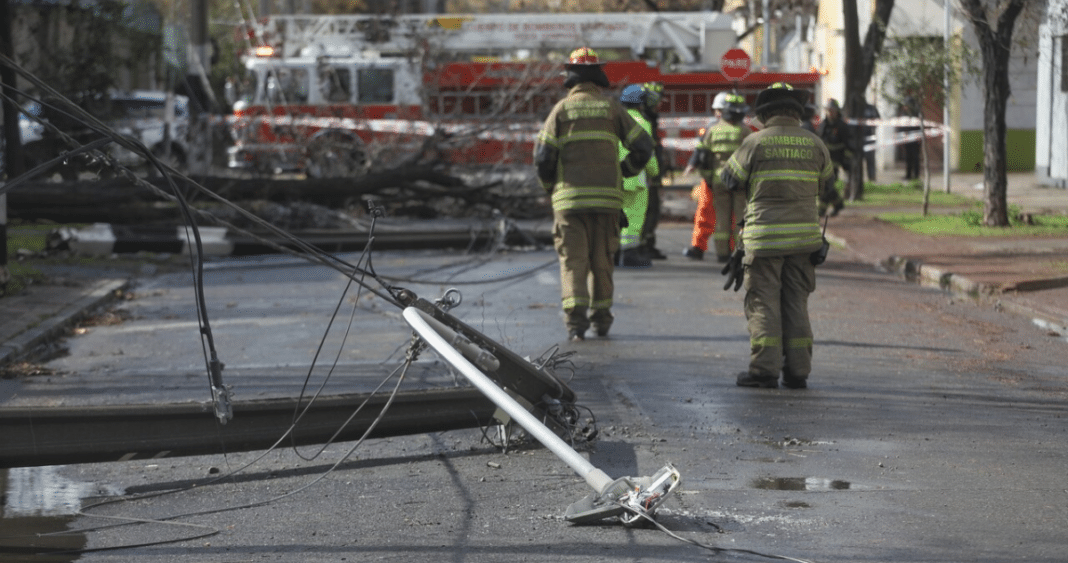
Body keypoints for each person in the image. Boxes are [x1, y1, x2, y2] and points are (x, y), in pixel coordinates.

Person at [533, 47, 654, 342]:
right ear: (597, 75)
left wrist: (552, 189)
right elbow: (644, 147)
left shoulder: (560, 111)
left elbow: (542, 158)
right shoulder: (612, 109)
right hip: (607, 202)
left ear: (570, 77)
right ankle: (602, 320)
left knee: (574, 261)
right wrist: (625, 170)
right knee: (602, 261)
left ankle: (576, 325)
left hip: (569, 202)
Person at [720, 82, 834, 389]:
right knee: (796, 303)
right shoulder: (815, 144)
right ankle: (798, 371)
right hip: (804, 241)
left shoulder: (755, 143)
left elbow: (729, 180)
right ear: (797, 113)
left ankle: (764, 370)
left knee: (764, 302)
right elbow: (830, 189)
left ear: (765, 113)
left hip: (764, 240)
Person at [683, 93, 751, 262]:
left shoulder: (713, 130)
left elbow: (703, 156)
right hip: (740, 182)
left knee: (721, 218)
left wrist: (708, 179)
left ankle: (722, 254)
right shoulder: (745, 132)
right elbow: (752, 158)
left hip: (719, 182)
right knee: (741, 218)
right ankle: (738, 252)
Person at [682, 92, 729, 260]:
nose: (718, 113)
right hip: (723, 182)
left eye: (720, 110)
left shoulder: (714, 129)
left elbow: (701, 151)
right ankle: (704, 248)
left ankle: (701, 248)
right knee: (711, 214)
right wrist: (692, 164)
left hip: (713, 181)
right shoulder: (738, 130)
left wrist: (692, 165)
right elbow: (701, 150)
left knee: (711, 214)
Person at [617, 84, 659, 268]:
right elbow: (647, 153)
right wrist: (654, 172)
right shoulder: (643, 123)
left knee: (615, 217)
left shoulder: (615, 121)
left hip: (615, 179)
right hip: (636, 179)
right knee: (634, 217)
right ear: (641, 104)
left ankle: (614, 253)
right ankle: (629, 254)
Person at [637, 82, 667, 260]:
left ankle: (648, 244)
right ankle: (643, 246)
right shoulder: (645, 121)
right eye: (658, 101)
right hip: (647, 175)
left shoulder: (650, 120)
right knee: (648, 210)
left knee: (653, 210)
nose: (660, 104)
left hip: (652, 173)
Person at [815, 98, 850, 216]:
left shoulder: (842, 126)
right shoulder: (823, 125)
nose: (830, 113)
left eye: (832, 110)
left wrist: (846, 162)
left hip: (835, 161)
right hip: (823, 162)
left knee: (826, 185)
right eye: (828, 110)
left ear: (837, 111)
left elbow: (849, 145)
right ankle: (838, 204)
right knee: (824, 185)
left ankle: (822, 210)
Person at [899, 97, 922, 180]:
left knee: (915, 158)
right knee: (908, 158)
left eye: (907, 105)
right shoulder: (904, 114)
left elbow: (920, 126)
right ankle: (908, 175)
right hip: (907, 139)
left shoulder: (916, 113)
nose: (905, 107)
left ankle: (916, 176)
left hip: (915, 139)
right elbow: (901, 126)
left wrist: (919, 138)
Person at [861, 100, 880, 182]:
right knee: (858, 160)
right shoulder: (855, 108)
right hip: (858, 138)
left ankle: (872, 179)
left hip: (870, 137)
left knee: (870, 159)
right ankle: (858, 180)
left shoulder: (871, 108)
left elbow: (878, 120)